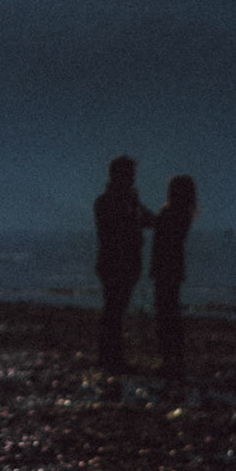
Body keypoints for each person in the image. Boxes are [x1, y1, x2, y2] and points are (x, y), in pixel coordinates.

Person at [94, 156, 155, 375]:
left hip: (121, 262)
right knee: (114, 310)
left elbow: (147, 219)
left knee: (114, 310)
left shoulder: (122, 201)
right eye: (129, 174)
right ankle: (111, 358)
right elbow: (123, 227)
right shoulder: (109, 202)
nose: (132, 179)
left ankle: (109, 356)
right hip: (116, 262)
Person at [151, 174, 198, 381]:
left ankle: (170, 358)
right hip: (174, 267)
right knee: (171, 312)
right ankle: (174, 358)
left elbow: (160, 230)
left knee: (166, 313)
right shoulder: (184, 213)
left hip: (165, 267)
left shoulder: (171, 212)